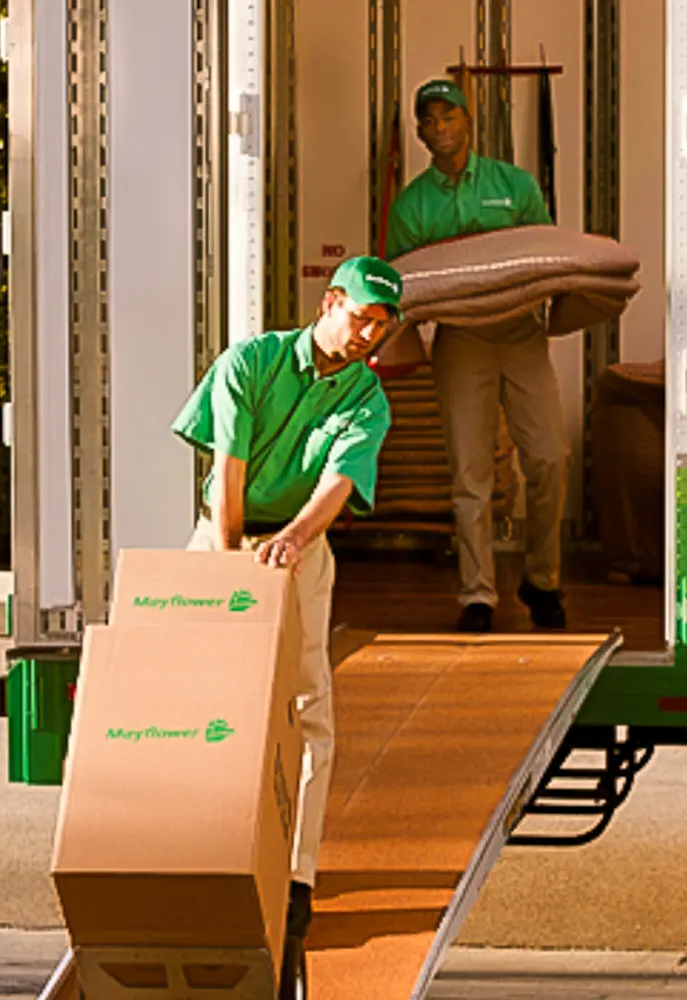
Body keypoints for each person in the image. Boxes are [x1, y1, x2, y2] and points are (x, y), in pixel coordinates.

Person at [169, 255, 403, 979]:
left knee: (307, 710)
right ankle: (187, 853)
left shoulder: (368, 399)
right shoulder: (252, 361)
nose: (369, 335)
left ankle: (295, 879)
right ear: (330, 302)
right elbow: (229, 464)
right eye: (361, 317)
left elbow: (337, 484)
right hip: (225, 536)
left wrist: (293, 543)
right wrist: (235, 566)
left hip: (298, 551)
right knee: (196, 700)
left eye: (382, 327)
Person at [385, 78, 570, 633]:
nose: (440, 128)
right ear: (419, 132)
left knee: (550, 458)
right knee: (471, 473)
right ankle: (478, 595)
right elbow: (405, 284)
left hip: (520, 334)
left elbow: (544, 254)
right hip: (461, 339)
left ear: (468, 121)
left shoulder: (513, 186)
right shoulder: (412, 205)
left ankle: (542, 581)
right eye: (429, 120)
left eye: (449, 117)